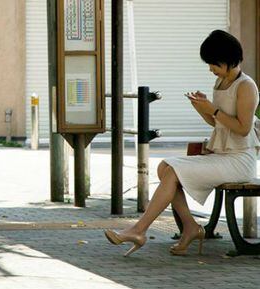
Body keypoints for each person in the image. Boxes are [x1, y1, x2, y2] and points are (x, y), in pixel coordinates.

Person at [104, 29, 260, 257]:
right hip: (222, 156)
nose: (211, 69)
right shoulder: (220, 82)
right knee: (164, 167)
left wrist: (212, 109)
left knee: (173, 172)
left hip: (239, 160)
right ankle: (190, 226)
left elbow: (243, 128)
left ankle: (139, 230)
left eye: (214, 64)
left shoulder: (246, 86)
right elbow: (217, 124)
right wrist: (202, 108)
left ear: (228, 59)